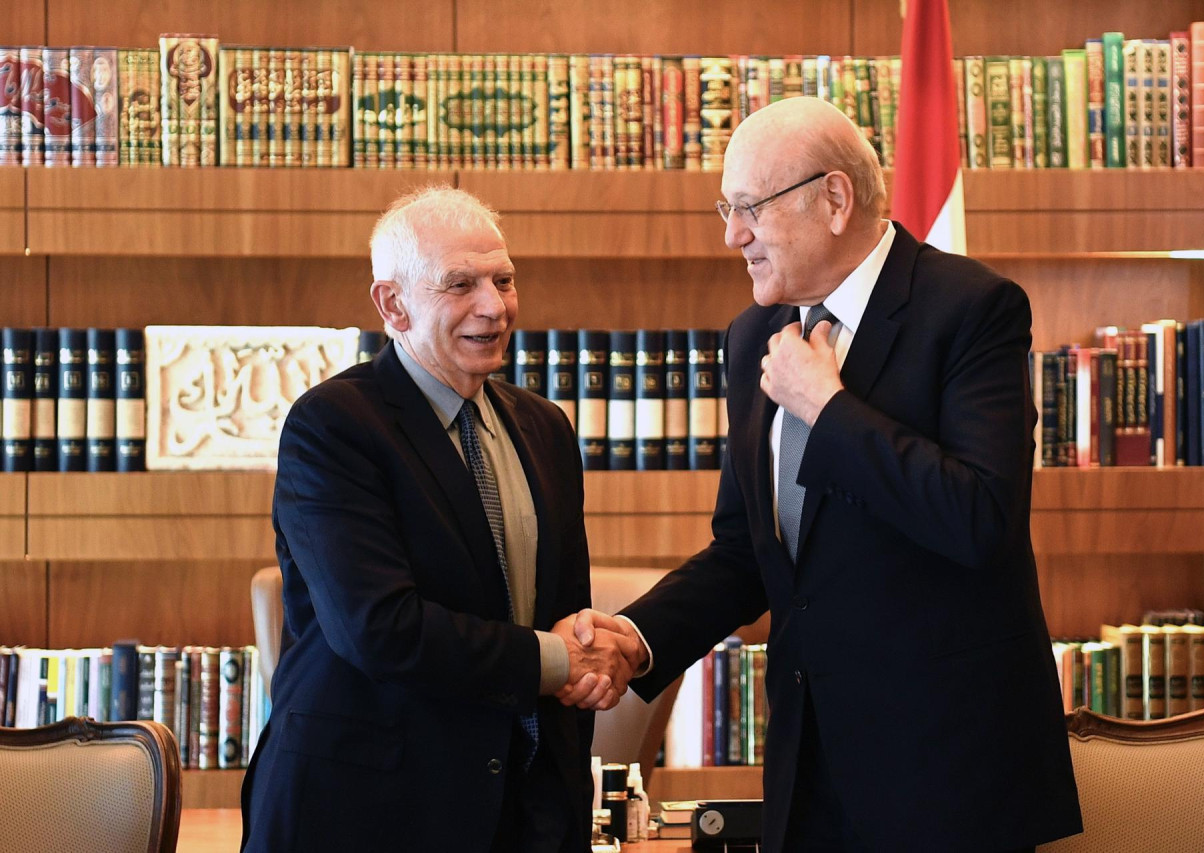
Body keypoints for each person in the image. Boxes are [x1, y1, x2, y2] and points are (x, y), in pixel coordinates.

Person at [567, 97, 1083, 851]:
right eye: (725, 208)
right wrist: (637, 638)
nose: (732, 234)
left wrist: (827, 406)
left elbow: (980, 518)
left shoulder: (971, 310)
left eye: (749, 207)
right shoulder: (754, 338)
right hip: (807, 780)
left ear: (834, 199)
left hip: (948, 780)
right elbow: (747, 551)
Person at [241, 186, 642, 853]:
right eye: (460, 284)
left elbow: (567, 609)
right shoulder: (334, 425)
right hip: (368, 812)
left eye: (504, 280)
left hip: (524, 810)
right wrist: (559, 658)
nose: (494, 305)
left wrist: (590, 661)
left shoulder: (544, 427)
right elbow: (379, 628)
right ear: (392, 304)